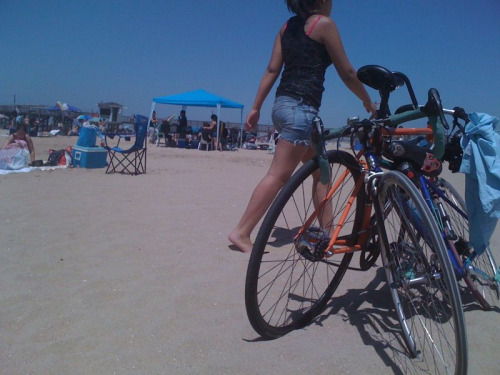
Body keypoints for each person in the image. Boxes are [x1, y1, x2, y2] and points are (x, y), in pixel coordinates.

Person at [228, 0, 377, 253]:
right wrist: (367, 101)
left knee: (321, 170)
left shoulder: (286, 28)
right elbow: (348, 72)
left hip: (282, 106)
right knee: (278, 175)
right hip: (300, 110)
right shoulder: (324, 24)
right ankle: (241, 232)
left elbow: (272, 69)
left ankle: (327, 233)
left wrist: (256, 106)